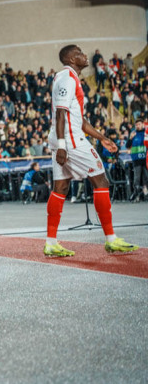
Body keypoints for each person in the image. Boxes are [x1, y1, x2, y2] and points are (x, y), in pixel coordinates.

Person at [44, 45, 138, 257]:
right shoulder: (67, 78)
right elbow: (60, 113)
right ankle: (111, 239)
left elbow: (80, 120)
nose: (84, 55)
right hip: (70, 140)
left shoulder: (71, 78)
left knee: (61, 187)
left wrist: (102, 138)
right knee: (101, 180)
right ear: (70, 58)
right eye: (79, 53)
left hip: (67, 137)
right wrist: (61, 146)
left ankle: (51, 242)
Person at [128, 119, 147, 201]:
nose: (137, 126)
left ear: (142, 124)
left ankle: (145, 195)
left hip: (145, 160)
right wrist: (130, 138)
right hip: (136, 160)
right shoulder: (133, 134)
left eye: (139, 124)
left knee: (146, 178)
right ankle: (136, 195)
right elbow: (127, 146)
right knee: (137, 179)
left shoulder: (146, 133)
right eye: (136, 125)